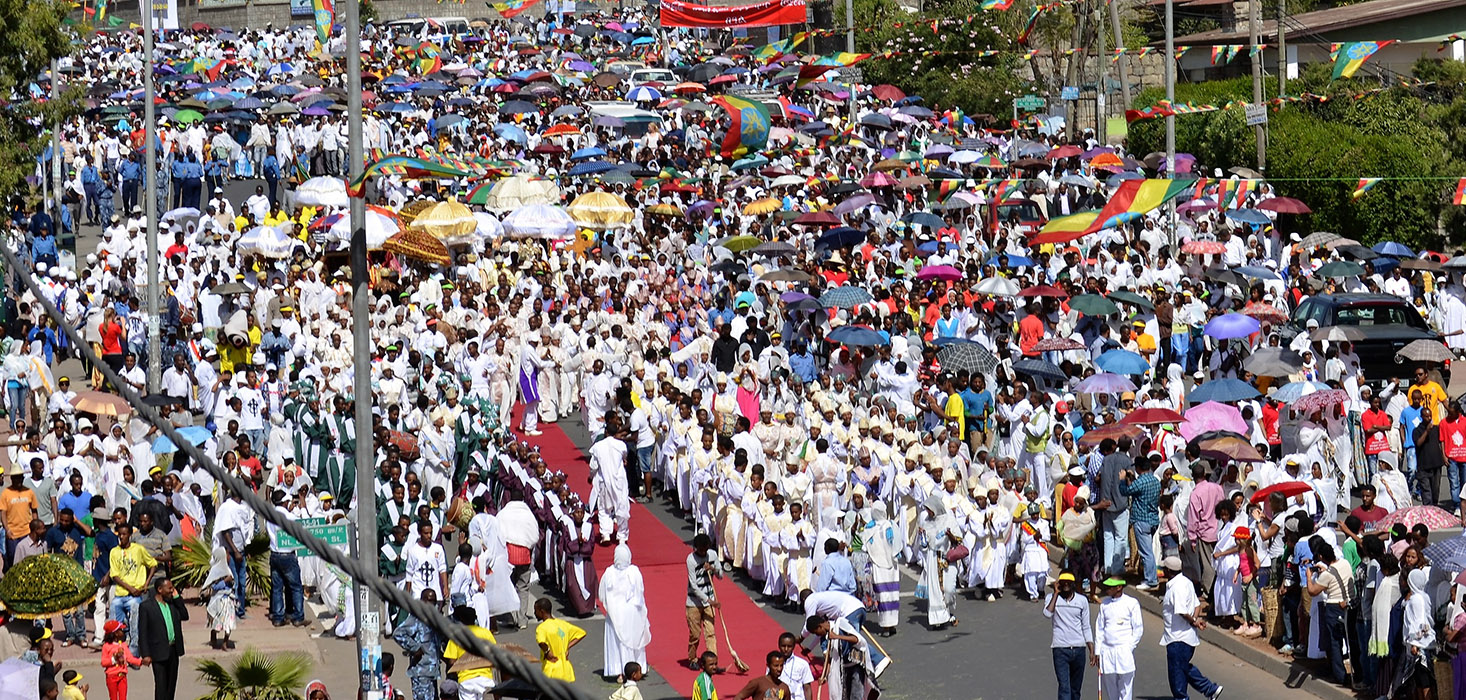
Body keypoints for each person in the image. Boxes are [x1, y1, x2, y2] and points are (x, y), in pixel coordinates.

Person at [1161, 559, 1223, 700]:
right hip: (1186, 637)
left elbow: (1182, 611)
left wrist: (1193, 621)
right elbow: (1197, 606)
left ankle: (1198, 692)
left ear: (1169, 571)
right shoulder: (1186, 582)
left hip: (1177, 638)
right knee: (1183, 668)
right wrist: (1194, 621)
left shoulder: (1176, 588)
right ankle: (1210, 689)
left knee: (1176, 673)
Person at [599, 544, 650, 679]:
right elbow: (640, 592)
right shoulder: (634, 571)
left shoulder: (608, 572)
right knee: (633, 640)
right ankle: (637, 668)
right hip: (631, 613)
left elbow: (602, 595)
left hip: (614, 613)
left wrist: (611, 606)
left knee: (617, 644)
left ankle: (620, 671)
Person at [136, 577, 188, 700]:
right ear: (160, 589)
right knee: (161, 686)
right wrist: (146, 654)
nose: (172, 590)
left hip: (173, 650)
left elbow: (185, 616)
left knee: (171, 686)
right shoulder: (146, 607)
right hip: (158, 652)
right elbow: (142, 632)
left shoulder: (172, 604)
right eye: (169, 588)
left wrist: (177, 598)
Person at [1045, 571, 1093, 700]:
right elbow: (1047, 614)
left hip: (1079, 650)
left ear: (1073, 584)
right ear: (1058, 583)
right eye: (1063, 582)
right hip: (1060, 649)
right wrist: (1056, 593)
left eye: (1068, 582)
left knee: (1075, 690)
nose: (1066, 584)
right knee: (1064, 689)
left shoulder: (1082, 600)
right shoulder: (1051, 598)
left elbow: (1086, 626)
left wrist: (1091, 649)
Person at [1093, 577, 1143, 700]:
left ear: (1119, 587)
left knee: (1125, 688)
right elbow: (1099, 629)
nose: (1107, 590)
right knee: (1111, 688)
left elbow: (1138, 629)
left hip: (1124, 652)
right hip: (1107, 652)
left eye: (1110, 587)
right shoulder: (1104, 604)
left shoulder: (1131, 603)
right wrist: (1097, 651)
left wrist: (1129, 647)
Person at [686, 533, 722, 670]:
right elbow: (693, 586)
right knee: (695, 634)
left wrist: (713, 568)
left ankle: (712, 662)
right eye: (700, 550)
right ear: (695, 548)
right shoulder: (690, 560)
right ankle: (693, 658)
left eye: (705, 550)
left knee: (711, 633)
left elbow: (720, 575)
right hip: (693, 603)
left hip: (709, 600)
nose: (703, 552)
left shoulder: (712, 555)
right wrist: (710, 601)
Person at [534, 597, 587, 682]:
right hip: (565, 670)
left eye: (536, 611)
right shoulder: (563, 624)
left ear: (542, 611)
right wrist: (566, 647)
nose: (534, 613)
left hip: (551, 669)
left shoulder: (542, 628)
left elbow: (541, 642)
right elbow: (581, 633)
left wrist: (547, 651)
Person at [202, 545, 238, 651]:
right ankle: (213, 637)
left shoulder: (228, 569)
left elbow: (233, 583)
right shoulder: (215, 571)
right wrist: (225, 581)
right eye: (226, 555)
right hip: (218, 601)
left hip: (228, 601)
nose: (229, 557)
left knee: (229, 624)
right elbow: (213, 586)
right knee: (216, 623)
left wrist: (231, 582)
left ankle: (225, 642)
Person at [99, 620, 143, 700]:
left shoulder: (123, 645)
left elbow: (130, 658)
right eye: (121, 630)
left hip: (122, 676)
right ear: (115, 633)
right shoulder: (106, 646)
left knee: (123, 697)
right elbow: (103, 662)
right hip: (111, 676)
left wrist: (141, 662)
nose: (123, 632)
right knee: (113, 697)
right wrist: (114, 659)